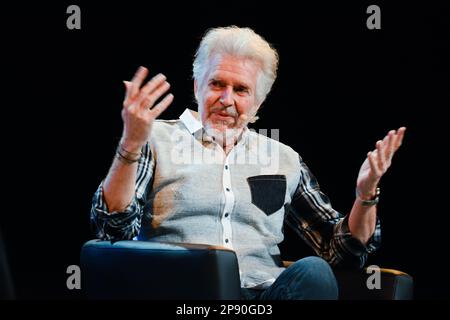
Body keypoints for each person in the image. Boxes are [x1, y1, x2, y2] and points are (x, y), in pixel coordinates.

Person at [91, 26, 406, 300]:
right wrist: (130, 144)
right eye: (217, 84)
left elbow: (342, 252)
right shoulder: (154, 137)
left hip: (265, 298)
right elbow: (112, 230)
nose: (227, 99)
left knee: (314, 272)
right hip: (183, 294)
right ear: (198, 85)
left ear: (259, 100)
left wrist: (365, 196)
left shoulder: (282, 158)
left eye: (241, 89)